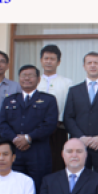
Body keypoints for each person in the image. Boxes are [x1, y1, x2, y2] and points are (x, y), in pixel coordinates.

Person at [0, 64, 58, 194]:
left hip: (38, 152)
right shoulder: (9, 100)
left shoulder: (48, 100)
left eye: (30, 75)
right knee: (15, 188)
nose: (27, 78)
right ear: (19, 79)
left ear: (38, 79)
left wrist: (28, 138)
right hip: (15, 152)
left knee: (39, 188)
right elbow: (2, 124)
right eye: (23, 75)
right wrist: (15, 139)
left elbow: (50, 124)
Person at [63, 51, 98, 185]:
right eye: (89, 63)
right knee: (79, 183)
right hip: (79, 147)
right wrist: (81, 137)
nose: (93, 66)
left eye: (96, 63)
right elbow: (68, 117)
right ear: (84, 66)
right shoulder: (74, 91)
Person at [36, 44, 73, 173]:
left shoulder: (67, 83)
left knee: (57, 163)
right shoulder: (34, 81)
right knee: (37, 163)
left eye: (52, 59)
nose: (49, 61)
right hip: (35, 129)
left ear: (58, 62)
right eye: (46, 58)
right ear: (41, 60)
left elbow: (69, 106)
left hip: (59, 129)